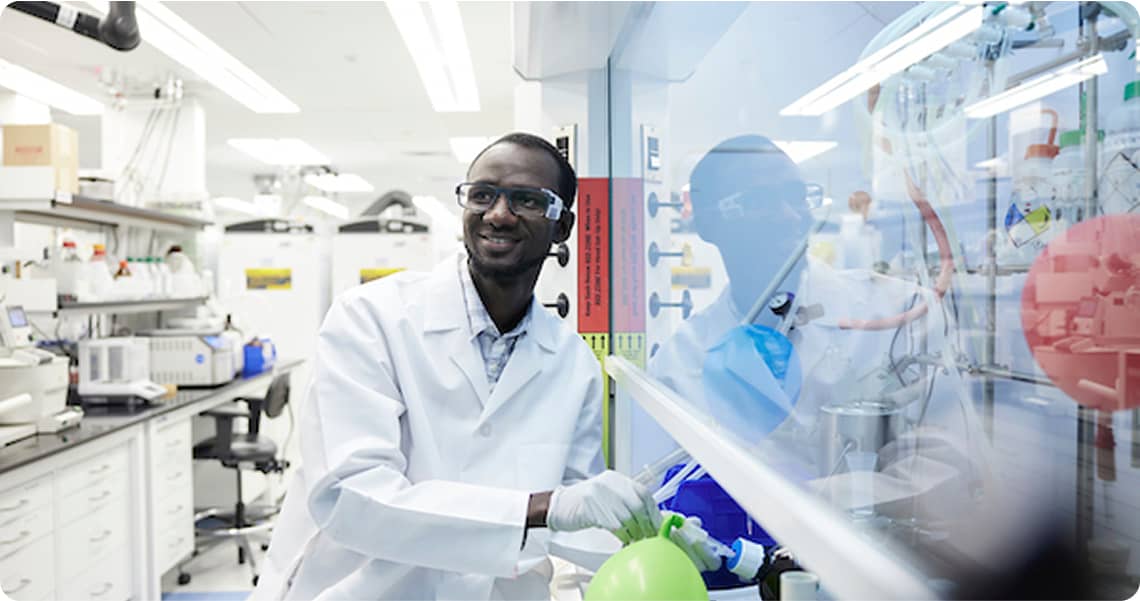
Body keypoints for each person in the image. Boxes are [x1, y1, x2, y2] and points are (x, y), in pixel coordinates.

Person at [252, 133, 661, 600]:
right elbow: (352, 498)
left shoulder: (572, 363)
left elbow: (578, 518)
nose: (499, 214)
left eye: (526, 200)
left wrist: (654, 535)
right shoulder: (370, 320)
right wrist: (541, 508)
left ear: (562, 226)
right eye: (483, 195)